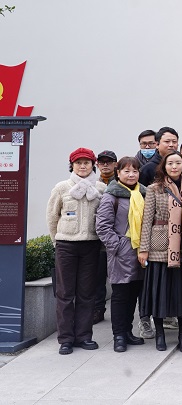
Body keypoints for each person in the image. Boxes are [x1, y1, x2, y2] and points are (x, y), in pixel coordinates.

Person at [46, 147, 107, 355]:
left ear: (93, 165)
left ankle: (84, 336)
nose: (82, 166)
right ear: (71, 165)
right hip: (66, 245)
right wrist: (56, 241)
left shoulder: (100, 188)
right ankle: (65, 338)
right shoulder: (62, 187)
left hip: (91, 245)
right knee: (64, 293)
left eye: (86, 162)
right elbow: (52, 217)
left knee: (87, 293)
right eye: (78, 163)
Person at [139, 151, 182, 353]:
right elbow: (147, 220)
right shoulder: (154, 188)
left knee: (181, 293)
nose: (174, 167)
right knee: (158, 292)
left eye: (178, 163)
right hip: (159, 245)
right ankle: (160, 333)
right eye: (170, 163)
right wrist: (144, 249)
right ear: (164, 166)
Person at [95, 156, 147, 353]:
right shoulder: (111, 196)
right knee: (120, 295)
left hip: (140, 251)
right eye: (126, 171)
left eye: (134, 171)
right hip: (121, 252)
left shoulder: (142, 193)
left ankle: (128, 331)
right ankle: (118, 335)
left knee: (133, 293)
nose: (131, 175)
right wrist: (117, 246)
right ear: (118, 173)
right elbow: (103, 227)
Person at [93, 150, 116, 324]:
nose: (105, 165)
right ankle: (98, 310)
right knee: (98, 279)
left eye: (109, 162)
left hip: (118, 239)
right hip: (98, 241)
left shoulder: (121, 182)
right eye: (102, 162)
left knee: (119, 281)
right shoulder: (92, 184)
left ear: (116, 164)